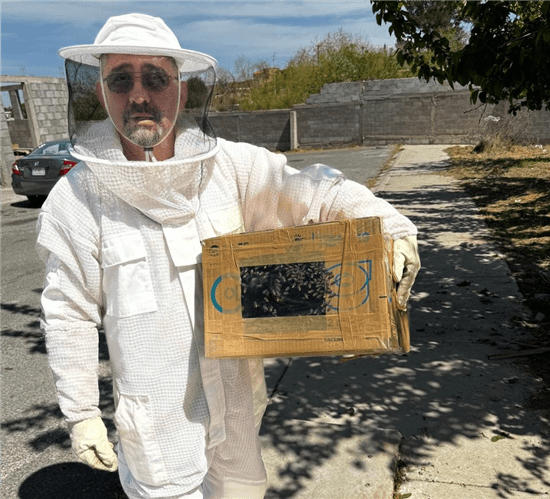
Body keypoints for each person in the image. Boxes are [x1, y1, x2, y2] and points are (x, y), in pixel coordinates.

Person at [36, 13, 420, 499]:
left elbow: (316, 192)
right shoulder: (75, 199)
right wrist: (81, 413)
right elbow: (68, 312)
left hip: (237, 408)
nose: (139, 95)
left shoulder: (230, 167)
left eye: (155, 78)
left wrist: (390, 228)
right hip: (160, 424)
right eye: (121, 80)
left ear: (181, 90)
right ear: (101, 92)